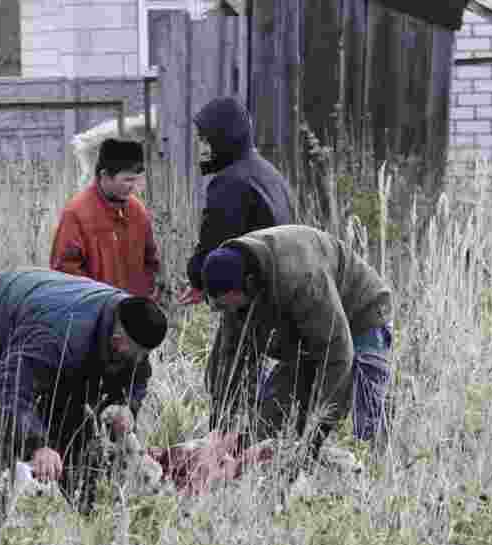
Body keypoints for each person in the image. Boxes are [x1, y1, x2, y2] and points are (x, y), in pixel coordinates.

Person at [0, 268, 168, 513]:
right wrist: (37, 445)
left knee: (73, 427)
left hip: (42, 320)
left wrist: (127, 408)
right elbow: (11, 393)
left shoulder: (133, 327)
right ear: (117, 341)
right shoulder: (56, 335)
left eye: (144, 356)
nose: (140, 360)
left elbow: (136, 378)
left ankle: (84, 513)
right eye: (136, 355)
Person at [195, 225, 393, 477]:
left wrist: (314, 436)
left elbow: (337, 353)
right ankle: (285, 485)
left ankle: (378, 481)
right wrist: (220, 429)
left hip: (361, 315)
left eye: (224, 304)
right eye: (217, 306)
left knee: (367, 419)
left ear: (249, 283)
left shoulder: (303, 278)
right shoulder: (232, 287)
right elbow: (230, 358)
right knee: (268, 424)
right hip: (306, 334)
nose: (222, 312)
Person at [179, 96, 293, 306]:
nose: (202, 148)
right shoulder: (269, 172)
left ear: (225, 138)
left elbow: (214, 243)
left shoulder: (229, 182)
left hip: (253, 295)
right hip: (282, 286)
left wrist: (198, 277)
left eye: (207, 140)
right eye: (200, 139)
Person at [50, 138, 161, 300]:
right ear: (105, 175)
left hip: (134, 312)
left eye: (135, 179)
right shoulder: (77, 214)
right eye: (127, 180)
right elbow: (65, 272)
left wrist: (145, 295)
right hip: (95, 315)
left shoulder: (138, 212)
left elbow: (151, 261)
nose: (133, 186)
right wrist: (96, 304)